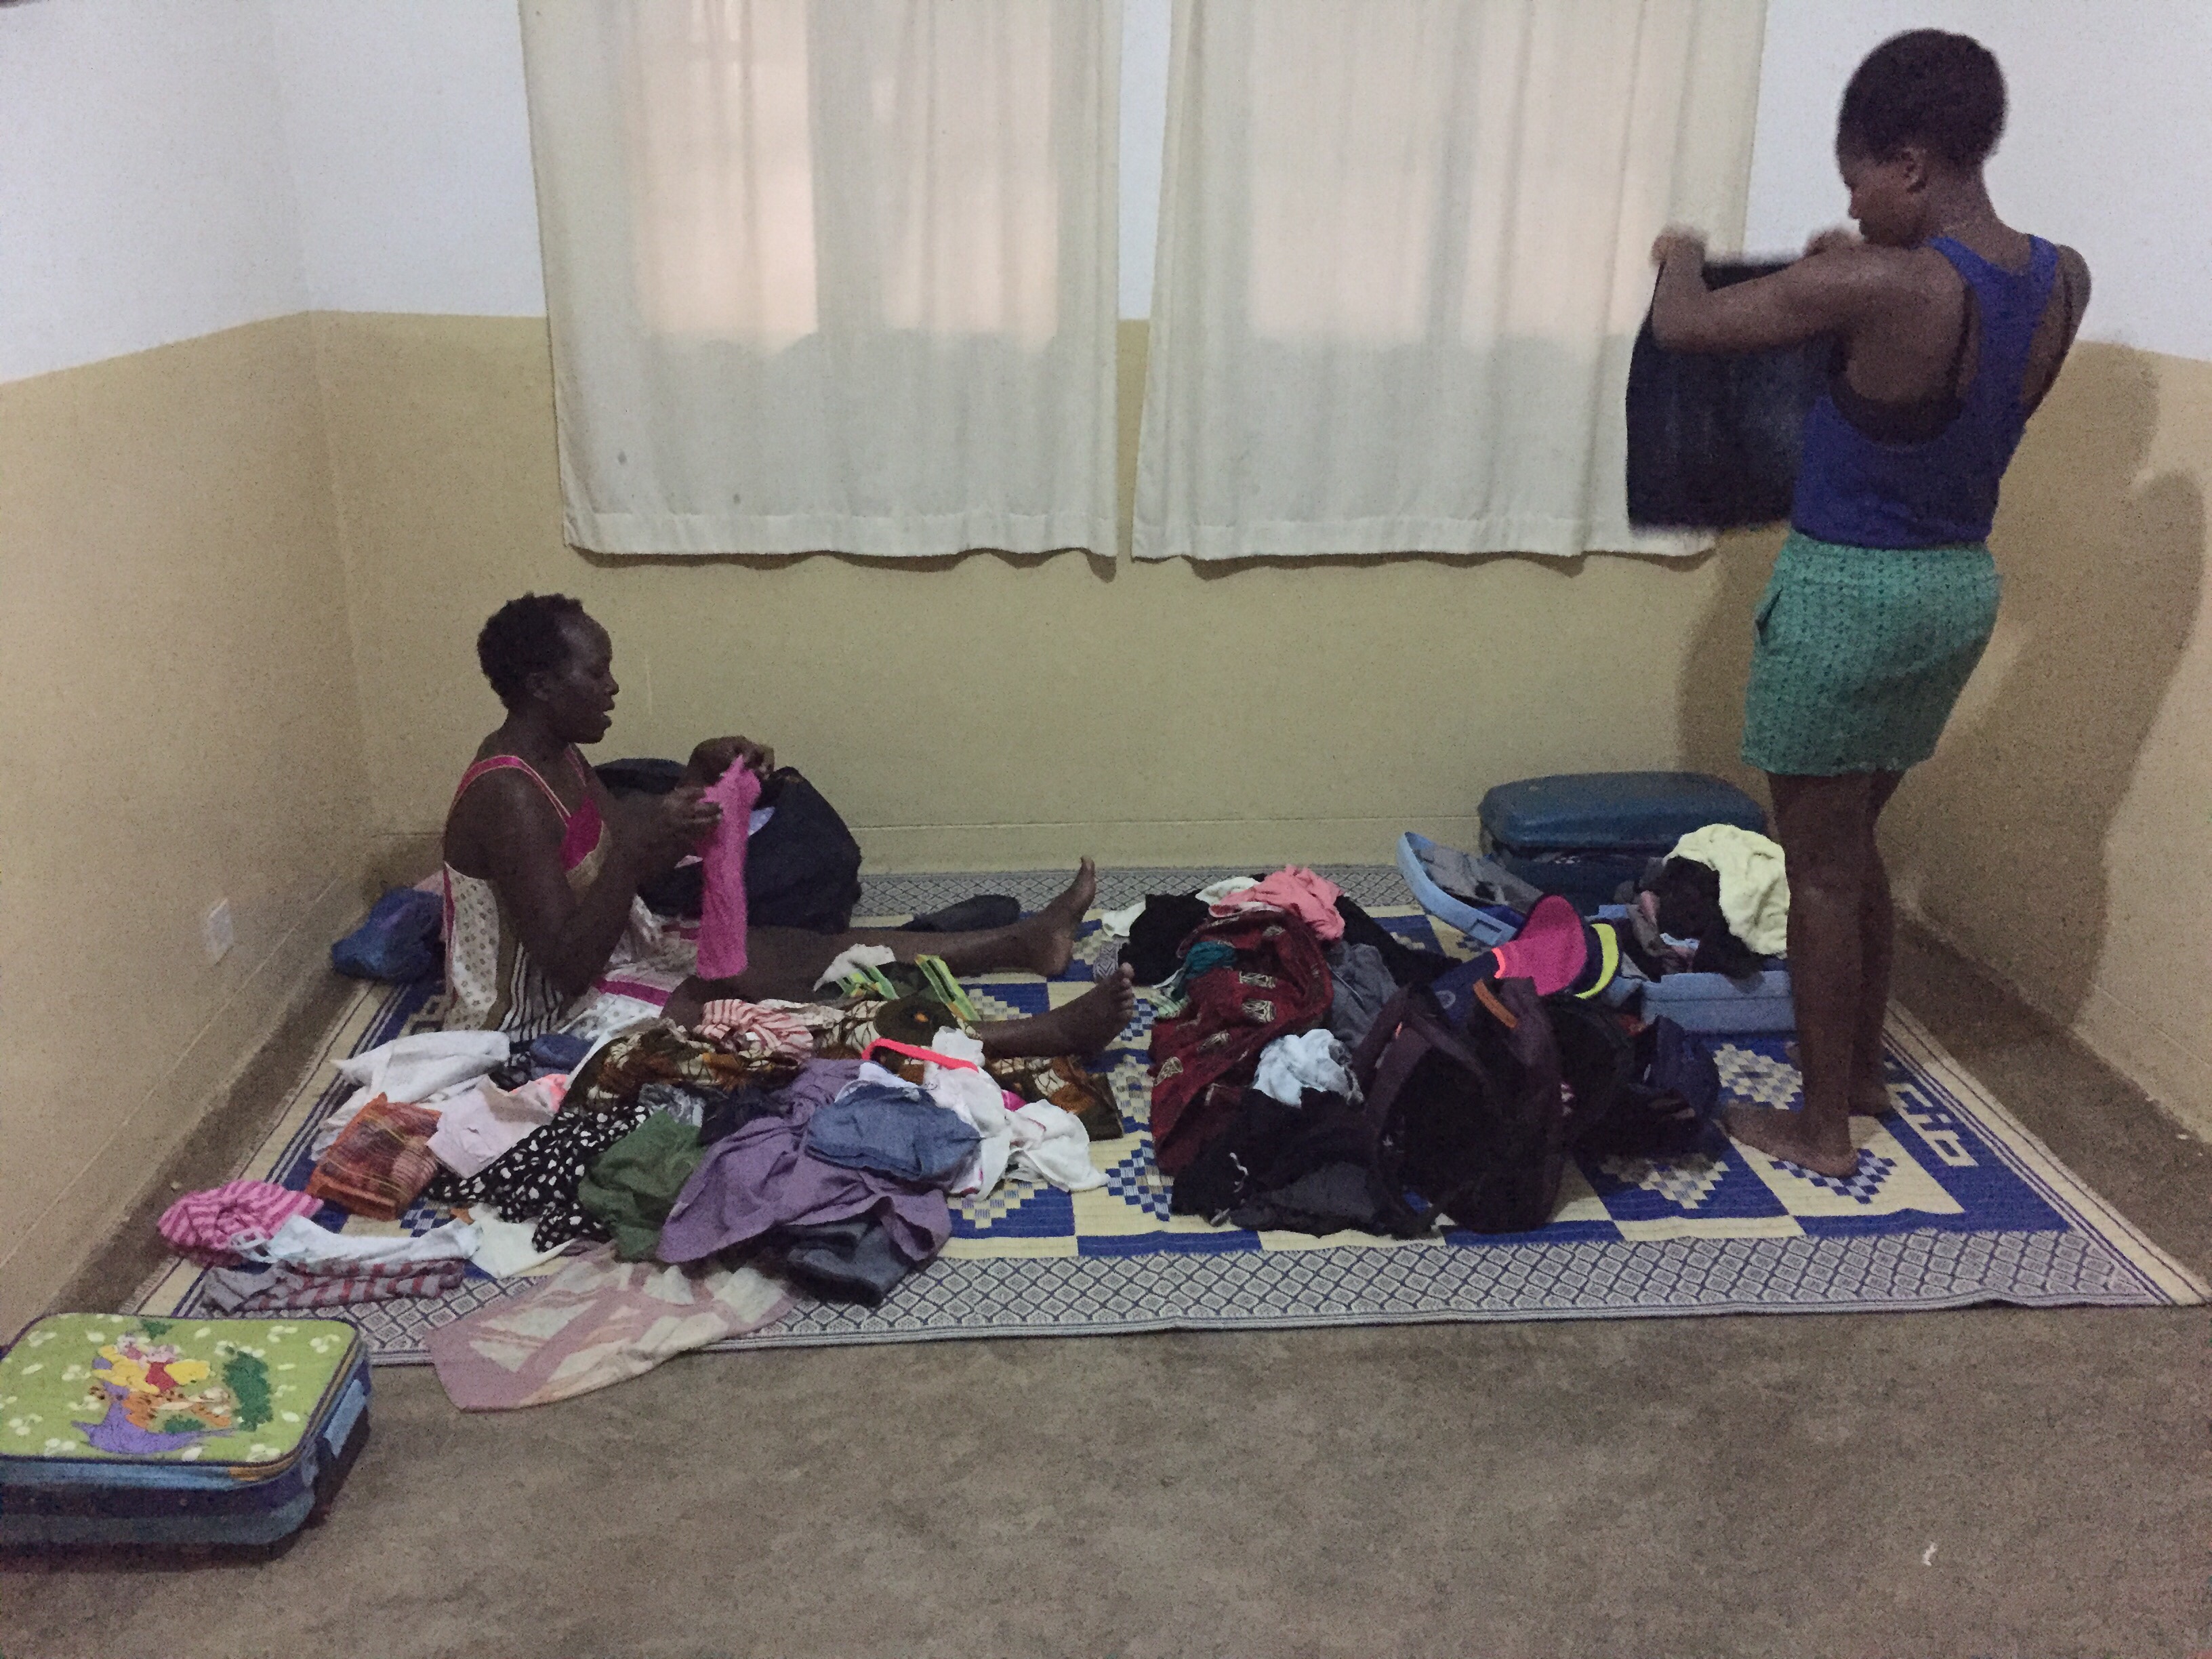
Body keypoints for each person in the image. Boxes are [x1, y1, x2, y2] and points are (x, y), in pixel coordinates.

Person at [1647, 30, 2089, 1176]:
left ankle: (1820, 1131)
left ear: (1907, 163)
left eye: (1856, 179)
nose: (1849, 203)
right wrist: (1840, 266)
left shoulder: (1881, 282)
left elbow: (1686, 327)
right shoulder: (2059, 277)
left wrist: (1677, 254)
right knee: (1852, 843)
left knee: (1821, 870)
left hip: (1849, 593)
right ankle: (1857, 1076)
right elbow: (1943, 403)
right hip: (1954, 587)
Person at [441, 592, 1135, 1052]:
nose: (614, 686)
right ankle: (1028, 1037)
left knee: (801, 951)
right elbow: (566, 968)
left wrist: (695, 780)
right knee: (766, 1022)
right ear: (542, 687)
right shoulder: (509, 795)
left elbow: (617, 850)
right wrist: (634, 856)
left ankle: (1022, 940)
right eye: (598, 674)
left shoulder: (559, 755)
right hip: (543, 1019)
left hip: (613, 952)